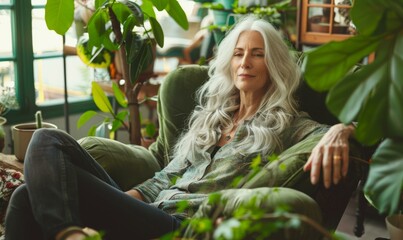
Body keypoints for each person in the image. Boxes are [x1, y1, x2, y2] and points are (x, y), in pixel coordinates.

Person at [5, 15, 355, 240]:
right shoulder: (212, 115)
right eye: (238, 54)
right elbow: (163, 178)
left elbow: (344, 132)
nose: (245, 62)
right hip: (149, 212)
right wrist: (113, 202)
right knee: (36, 169)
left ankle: (67, 235)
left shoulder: (287, 124)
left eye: (257, 54)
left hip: (182, 227)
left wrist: (343, 130)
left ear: (275, 64)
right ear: (229, 62)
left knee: (45, 144)